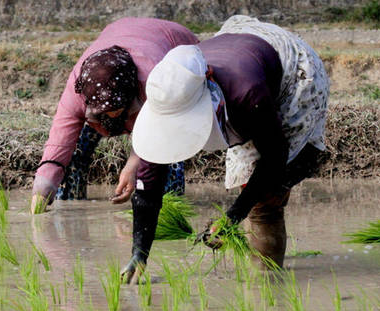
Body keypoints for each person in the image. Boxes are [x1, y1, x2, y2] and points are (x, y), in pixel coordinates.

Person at [124, 15, 329, 283]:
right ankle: (256, 264)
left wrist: (232, 217)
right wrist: (139, 252)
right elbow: (149, 182)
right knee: (248, 184)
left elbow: (274, 157)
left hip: (290, 67)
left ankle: (266, 285)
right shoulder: (167, 95)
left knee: (266, 199)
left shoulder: (247, 95)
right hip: (237, 49)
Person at [30, 18, 198, 214]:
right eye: (103, 110)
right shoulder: (78, 89)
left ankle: (169, 208)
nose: (112, 113)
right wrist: (42, 189)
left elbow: (162, 130)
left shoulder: (156, 81)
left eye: (116, 108)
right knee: (76, 150)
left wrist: (133, 165)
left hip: (171, 42)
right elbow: (60, 141)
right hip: (120, 33)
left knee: (169, 152)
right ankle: (69, 202)